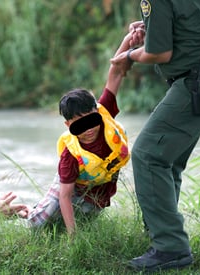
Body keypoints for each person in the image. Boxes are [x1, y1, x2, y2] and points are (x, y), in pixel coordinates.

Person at [111, 0, 200, 272]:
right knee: (167, 157)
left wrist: (130, 54)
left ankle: (170, 247)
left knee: (148, 154)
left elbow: (160, 53)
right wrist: (152, 29)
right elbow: (192, 30)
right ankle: (161, 237)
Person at [27, 29, 143, 235]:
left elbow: (115, 72)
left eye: (90, 120)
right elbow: (65, 195)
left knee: (83, 222)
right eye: (79, 125)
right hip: (71, 183)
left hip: (98, 187)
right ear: (68, 126)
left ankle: (69, 223)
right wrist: (73, 237)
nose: (88, 129)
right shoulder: (70, 154)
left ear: (96, 111)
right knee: (39, 224)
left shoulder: (104, 112)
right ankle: (27, 212)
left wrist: (128, 41)